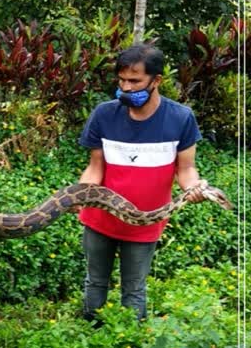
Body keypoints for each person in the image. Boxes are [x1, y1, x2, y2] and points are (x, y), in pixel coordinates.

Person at [77, 44, 206, 322]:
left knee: (134, 289)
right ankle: (89, 339)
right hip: (100, 220)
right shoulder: (103, 114)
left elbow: (186, 170)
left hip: (145, 222)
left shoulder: (180, 118)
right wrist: (77, 195)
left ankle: (130, 346)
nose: (126, 87)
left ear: (156, 80)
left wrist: (193, 188)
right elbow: (95, 167)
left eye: (134, 81)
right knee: (95, 282)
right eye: (122, 80)